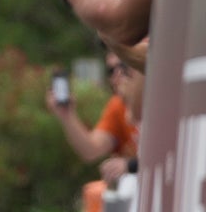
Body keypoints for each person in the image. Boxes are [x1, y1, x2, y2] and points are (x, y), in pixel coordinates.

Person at [46, 53, 139, 188]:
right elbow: (91, 150)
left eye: (124, 67)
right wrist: (67, 116)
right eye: (111, 71)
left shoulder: (164, 102)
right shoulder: (117, 106)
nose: (117, 75)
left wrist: (130, 166)